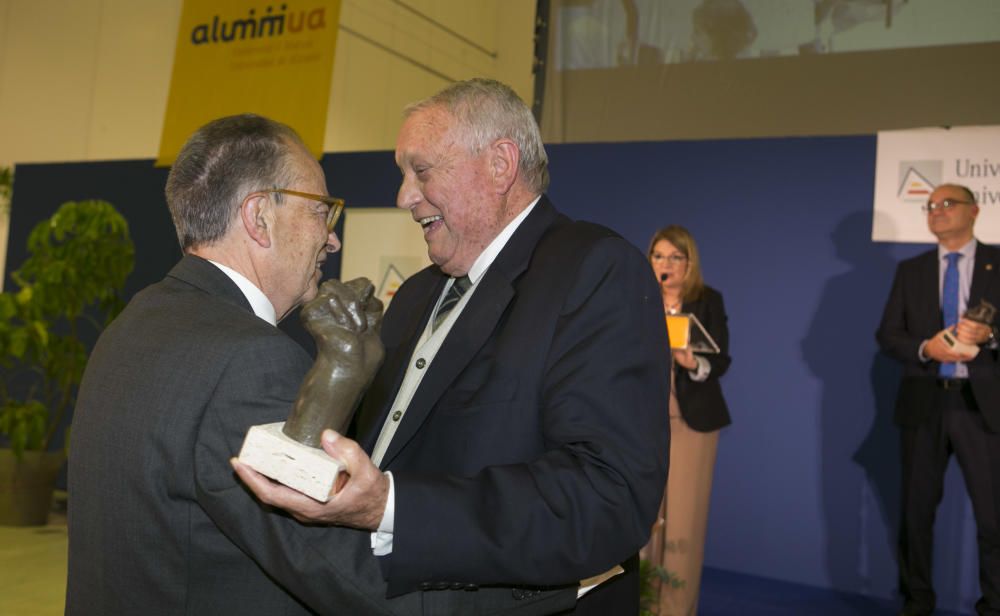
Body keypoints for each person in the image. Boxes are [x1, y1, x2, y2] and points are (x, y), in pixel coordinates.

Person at [67, 114, 559, 616]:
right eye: (322, 211)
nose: (332, 239)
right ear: (259, 217)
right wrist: (544, 590)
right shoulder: (249, 359)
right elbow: (344, 573)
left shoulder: (135, 323)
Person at [235, 78, 672, 614]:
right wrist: (340, 376)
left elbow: (607, 498)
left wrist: (393, 507)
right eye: (402, 174)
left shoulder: (595, 271)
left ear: (500, 164)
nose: (403, 196)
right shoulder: (417, 294)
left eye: (421, 170)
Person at [876, 183, 1000, 616]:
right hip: (923, 403)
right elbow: (888, 335)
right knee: (916, 514)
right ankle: (917, 602)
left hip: (981, 408)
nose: (938, 211)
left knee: (993, 519)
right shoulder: (910, 272)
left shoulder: (997, 264)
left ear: (975, 210)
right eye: (931, 206)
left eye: (948, 204)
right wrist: (927, 349)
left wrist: (992, 335)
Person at [641, 225, 731, 615]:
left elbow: (721, 359)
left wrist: (694, 362)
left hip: (691, 423)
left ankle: (675, 610)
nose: (665, 264)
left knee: (683, 526)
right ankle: (640, 604)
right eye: (658, 256)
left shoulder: (707, 300)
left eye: (674, 257)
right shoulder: (637, 297)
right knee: (641, 520)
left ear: (689, 262)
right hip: (640, 423)